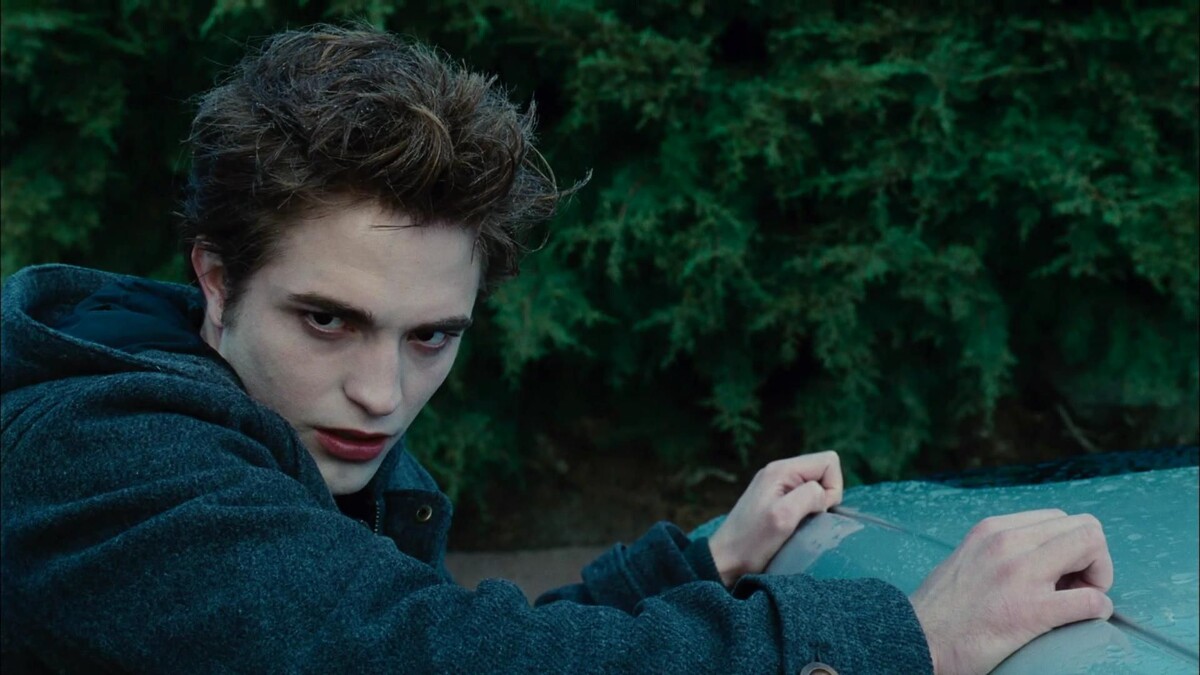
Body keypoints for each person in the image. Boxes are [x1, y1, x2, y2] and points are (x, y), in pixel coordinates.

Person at [0, 24, 1114, 673]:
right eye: (326, 319)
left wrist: (701, 561)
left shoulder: (275, 429)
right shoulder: (105, 450)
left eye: (432, 336)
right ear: (215, 277)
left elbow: (444, 640)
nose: (382, 393)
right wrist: (907, 635)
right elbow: (420, 660)